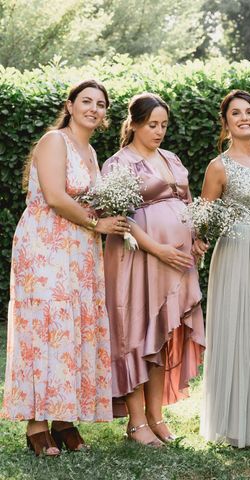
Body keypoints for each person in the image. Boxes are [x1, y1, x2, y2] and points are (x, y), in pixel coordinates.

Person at [2, 79, 128, 456]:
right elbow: (56, 197)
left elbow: (90, 202)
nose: (94, 108)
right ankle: (36, 425)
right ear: (70, 106)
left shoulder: (90, 152)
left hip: (81, 251)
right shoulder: (53, 141)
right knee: (46, 325)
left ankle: (63, 420)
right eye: (86, 101)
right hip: (46, 246)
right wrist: (97, 224)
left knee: (72, 328)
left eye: (100, 104)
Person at [103, 93, 205, 447]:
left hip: (176, 263)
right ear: (133, 124)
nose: (159, 131)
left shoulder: (171, 158)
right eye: (152, 125)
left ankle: (157, 416)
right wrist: (158, 248)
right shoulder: (118, 164)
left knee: (161, 334)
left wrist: (196, 236)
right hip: (139, 259)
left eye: (163, 125)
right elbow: (121, 218)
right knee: (136, 332)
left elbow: (187, 203)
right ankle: (136, 422)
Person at [197, 90, 250, 448]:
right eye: (236, 113)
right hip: (237, 250)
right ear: (226, 122)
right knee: (237, 328)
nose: (244, 117)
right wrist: (201, 238)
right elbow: (205, 218)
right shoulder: (219, 166)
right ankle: (233, 422)